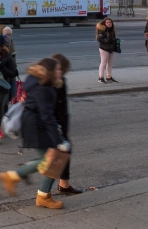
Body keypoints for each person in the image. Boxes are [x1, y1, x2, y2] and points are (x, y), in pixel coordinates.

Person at [0, 58, 70, 209]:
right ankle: (13, 176)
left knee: (54, 161)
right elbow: (46, 115)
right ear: (50, 72)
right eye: (57, 69)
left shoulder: (46, 85)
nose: (60, 72)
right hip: (36, 127)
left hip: (40, 126)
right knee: (50, 160)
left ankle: (43, 196)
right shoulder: (42, 88)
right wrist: (59, 140)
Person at [50, 53, 82, 195]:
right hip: (53, 126)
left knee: (63, 152)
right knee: (54, 157)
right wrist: (60, 127)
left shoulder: (58, 80)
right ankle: (46, 191)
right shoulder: (54, 83)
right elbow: (57, 107)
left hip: (57, 124)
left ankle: (63, 184)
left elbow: (62, 107)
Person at [96, 17, 117, 84]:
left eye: (110, 22)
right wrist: (108, 39)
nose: (109, 24)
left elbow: (113, 38)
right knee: (103, 63)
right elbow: (99, 39)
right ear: (104, 23)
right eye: (107, 22)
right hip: (104, 48)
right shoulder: (102, 30)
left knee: (110, 63)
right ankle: (101, 77)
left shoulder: (112, 30)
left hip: (111, 48)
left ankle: (109, 77)